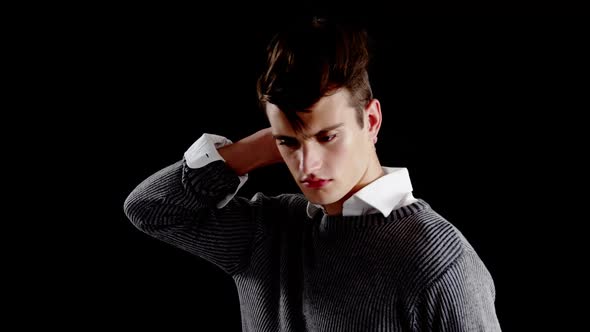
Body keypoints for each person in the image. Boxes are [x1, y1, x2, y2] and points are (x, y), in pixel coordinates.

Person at [124, 16, 501, 331]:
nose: (307, 166)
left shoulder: (439, 264)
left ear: (370, 121)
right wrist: (243, 154)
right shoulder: (267, 233)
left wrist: (295, 137)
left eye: (327, 136)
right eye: (288, 143)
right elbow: (148, 210)